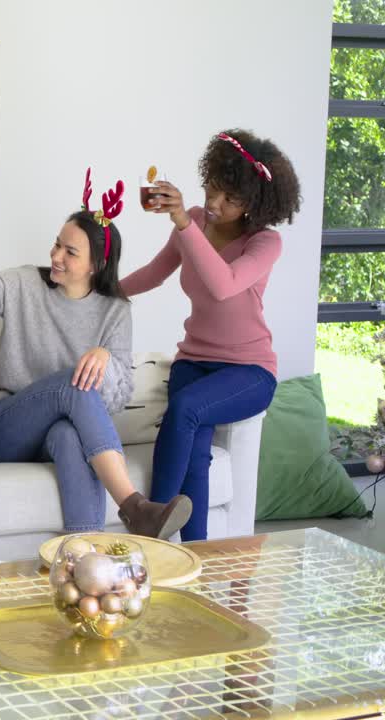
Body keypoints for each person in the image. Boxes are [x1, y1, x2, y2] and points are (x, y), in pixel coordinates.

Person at [0, 171, 192, 540]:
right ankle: (133, 506)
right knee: (75, 384)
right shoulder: (22, 284)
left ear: (95, 265)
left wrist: (106, 359)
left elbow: (117, 398)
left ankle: (84, 554)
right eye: (57, 245)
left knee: (70, 433)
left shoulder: (114, 311)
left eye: (70, 252)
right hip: (1, 426)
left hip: (52, 437)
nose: (55, 256)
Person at [122, 130, 301, 541]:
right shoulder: (199, 220)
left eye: (230, 198)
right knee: (195, 458)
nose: (215, 204)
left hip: (249, 371)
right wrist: (102, 289)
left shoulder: (265, 242)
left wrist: (185, 222)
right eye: (212, 190)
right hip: (193, 361)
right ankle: (196, 562)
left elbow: (224, 284)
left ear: (254, 204)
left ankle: (148, 534)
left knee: (185, 409)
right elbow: (154, 273)